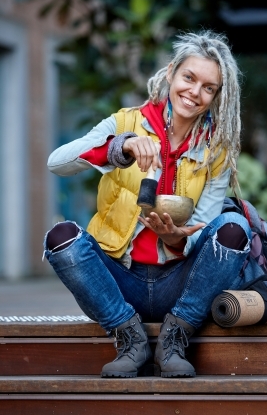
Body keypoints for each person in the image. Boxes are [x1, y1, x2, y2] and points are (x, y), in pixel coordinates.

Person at [44, 30, 252, 379]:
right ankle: (129, 336)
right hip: (119, 281)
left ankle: (176, 336)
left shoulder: (217, 148)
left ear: (217, 95)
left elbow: (203, 226)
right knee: (61, 237)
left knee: (235, 229)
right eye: (189, 77)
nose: (194, 92)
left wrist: (175, 239)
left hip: (180, 286)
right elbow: (57, 162)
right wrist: (120, 147)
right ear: (171, 72)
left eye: (208, 87)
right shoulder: (124, 122)